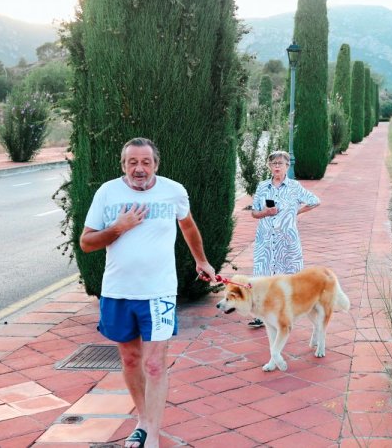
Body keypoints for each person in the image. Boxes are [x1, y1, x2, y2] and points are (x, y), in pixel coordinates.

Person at [79, 138, 215, 448]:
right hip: (118, 291)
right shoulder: (107, 193)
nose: (139, 168)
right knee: (129, 360)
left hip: (159, 291)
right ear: (123, 164)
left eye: (145, 162)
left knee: (154, 364)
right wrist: (119, 227)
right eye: (132, 162)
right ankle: (142, 420)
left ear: (156, 164)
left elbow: (189, 226)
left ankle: (153, 435)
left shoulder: (173, 191)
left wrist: (202, 260)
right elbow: (87, 243)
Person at [247, 149, 320, 327]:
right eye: (273, 163)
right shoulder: (262, 186)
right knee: (262, 275)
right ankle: (260, 315)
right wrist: (265, 212)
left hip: (287, 240)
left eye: (280, 163)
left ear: (287, 166)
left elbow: (315, 201)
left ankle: (287, 312)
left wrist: (295, 212)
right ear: (269, 166)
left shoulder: (295, 187)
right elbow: (254, 213)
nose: (277, 166)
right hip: (265, 239)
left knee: (289, 275)